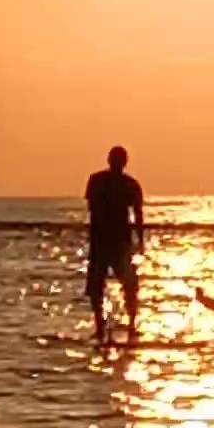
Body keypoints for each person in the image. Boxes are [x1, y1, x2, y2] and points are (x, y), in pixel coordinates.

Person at [85, 145, 144, 346]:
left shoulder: (130, 185)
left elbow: (138, 214)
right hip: (102, 241)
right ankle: (100, 325)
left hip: (119, 242)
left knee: (129, 284)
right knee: (96, 286)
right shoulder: (97, 181)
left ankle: (131, 325)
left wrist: (140, 240)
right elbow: (92, 209)